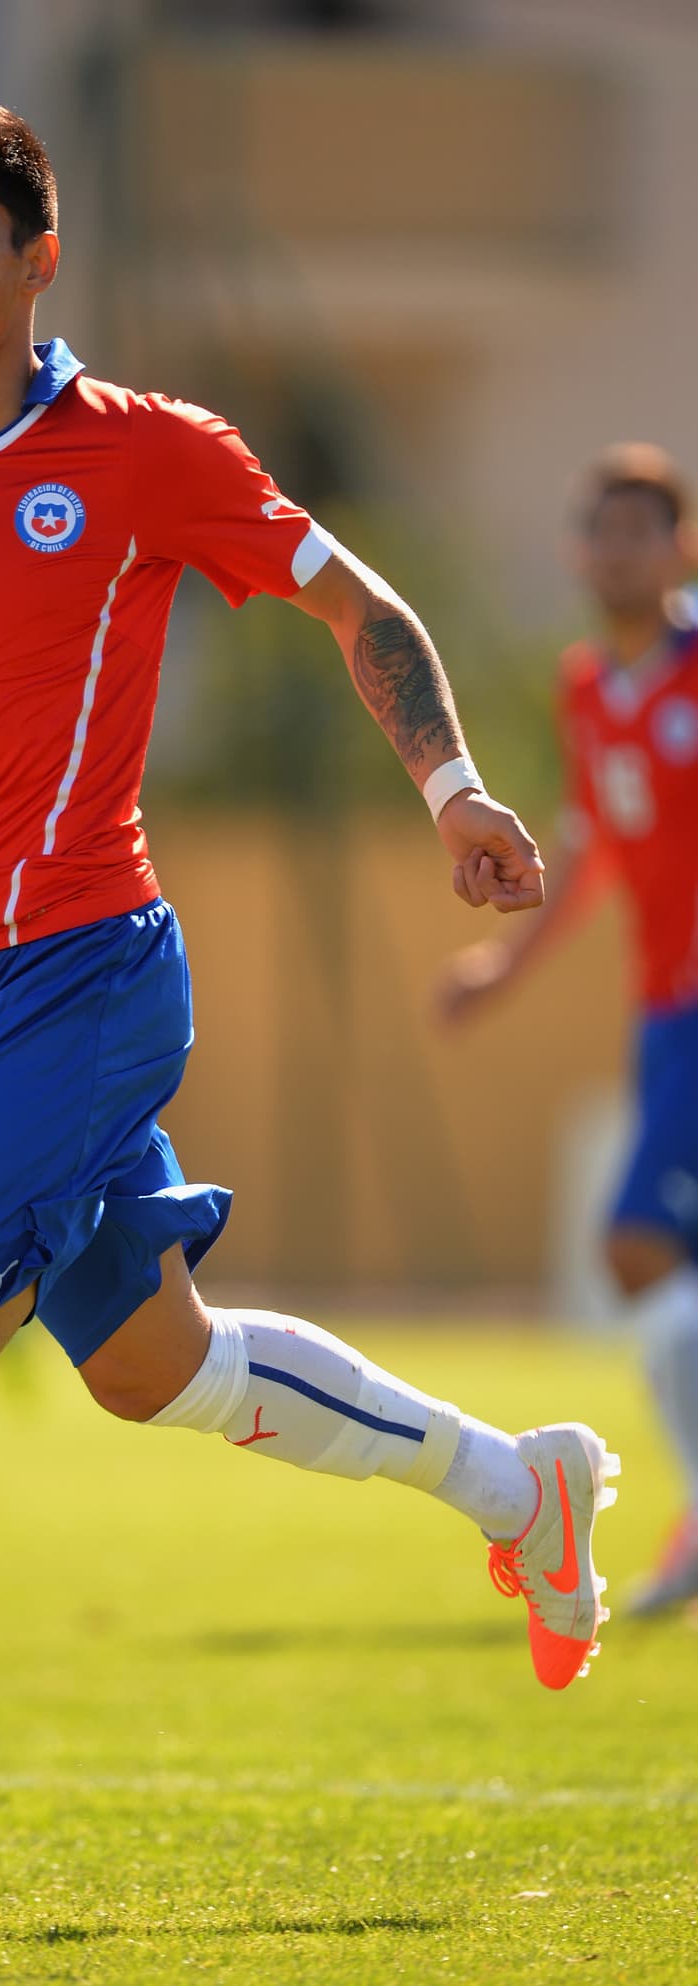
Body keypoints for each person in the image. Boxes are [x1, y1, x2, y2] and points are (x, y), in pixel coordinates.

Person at [0, 91, 618, 1915]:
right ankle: (517, 1486)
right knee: (159, 1368)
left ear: (36, 257)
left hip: (92, 974)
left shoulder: (145, 451)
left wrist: (454, 785)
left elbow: (354, 598)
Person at [437, 444, 697, 1618]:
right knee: (654, 1259)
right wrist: (500, 967)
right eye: (599, 532)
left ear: (676, 549)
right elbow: (589, 849)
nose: (614, 551)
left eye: (638, 531)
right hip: (662, 1009)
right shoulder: (586, 686)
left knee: (634, 1245)